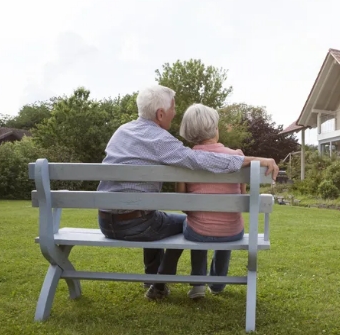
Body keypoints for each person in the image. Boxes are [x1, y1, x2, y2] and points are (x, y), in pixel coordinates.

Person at [96, 84, 279, 300]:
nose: (175, 113)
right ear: (160, 113)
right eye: (173, 108)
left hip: (106, 222)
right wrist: (254, 160)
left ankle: (154, 280)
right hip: (137, 225)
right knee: (179, 224)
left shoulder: (122, 131)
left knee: (157, 218)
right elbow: (200, 159)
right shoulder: (160, 139)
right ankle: (159, 284)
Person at [176, 103, 247, 299]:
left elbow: (183, 204)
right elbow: (241, 196)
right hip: (232, 231)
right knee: (225, 228)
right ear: (215, 128)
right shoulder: (237, 157)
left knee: (196, 226)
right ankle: (217, 284)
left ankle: (198, 285)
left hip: (199, 232)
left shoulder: (186, 159)